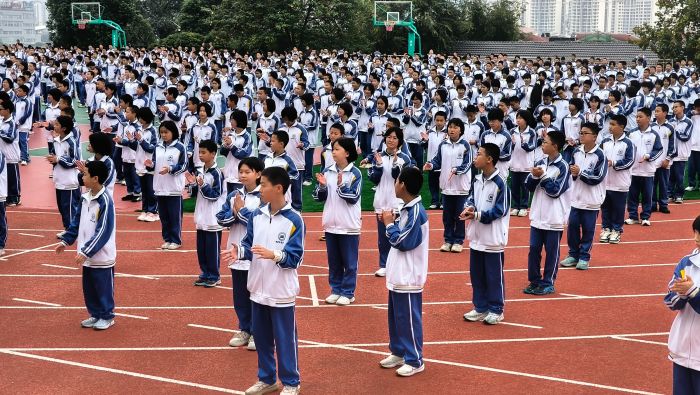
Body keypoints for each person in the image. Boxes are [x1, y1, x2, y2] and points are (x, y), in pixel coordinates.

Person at [222, 167, 304, 395]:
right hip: (257, 288)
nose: (261, 190)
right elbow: (249, 245)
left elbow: (295, 258)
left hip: (280, 292)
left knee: (285, 340)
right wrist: (239, 252)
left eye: (265, 185)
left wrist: (275, 255)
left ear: (278, 189)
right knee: (263, 338)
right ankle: (267, 378)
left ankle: (291, 382)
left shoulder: (294, 219)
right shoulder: (257, 215)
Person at [378, 166, 428, 377]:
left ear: (403, 185)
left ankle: (415, 359)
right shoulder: (407, 208)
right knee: (397, 317)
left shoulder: (416, 212)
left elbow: (403, 242)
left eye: (397, 180)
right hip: (399, 274)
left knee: (408, 318)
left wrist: (389, 224)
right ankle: (398, 351)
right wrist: (392, 222)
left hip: (409, 275)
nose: (395, 184)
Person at [56, 160, 117, 331]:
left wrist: (87, 251)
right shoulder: (85, 197)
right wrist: (66, 240)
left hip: (101, 254)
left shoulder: (105, 201)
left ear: (95, 178)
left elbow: (103, 230)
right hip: (86, 253)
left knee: (102, 286)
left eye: (85, 174)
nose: (82, 176)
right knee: (89, 287)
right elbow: (76, 222)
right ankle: (95, 313)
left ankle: (106, 315)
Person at [216, 157, 263, 351]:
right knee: (240, 295)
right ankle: (245, 328)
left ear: (258, 174)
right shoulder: (234, 194)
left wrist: (240, 211)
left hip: (255, 253)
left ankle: (258, 332)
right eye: (241, 172)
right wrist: (234, 214)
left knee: (256, 294)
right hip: (235, 253)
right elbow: (221, 218)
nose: (242, 175)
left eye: (247, 172)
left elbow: (258, 221)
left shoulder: (264, 196)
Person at [461, 142, 510, 324]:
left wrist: (477, 215)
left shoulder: (500, 183)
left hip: (493, 238)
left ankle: (497, 309)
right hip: (477, 236)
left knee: (493, 276)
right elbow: (471, 198)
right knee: (477, 274)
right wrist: (469, 208)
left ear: (489, 159)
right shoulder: (477, 178)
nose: (475, 157)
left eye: (479, 154)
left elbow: (500, 210)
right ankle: (480, 307)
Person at [313, 137, 362, 306]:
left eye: (337, 149)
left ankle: (348, 292)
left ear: (347, 153)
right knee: (334, 262)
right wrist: (322, 187)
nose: (333, 152)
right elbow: (318, 197)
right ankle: (336, 289)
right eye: (332, 149)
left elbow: (353, 198)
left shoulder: (355, 173)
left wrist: (341, 186)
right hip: (331, 224)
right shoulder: (327, 171)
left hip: (348, 225)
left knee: (349, 262)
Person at [524, 131, 571, 295]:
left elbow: (556, 191)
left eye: (545, 142)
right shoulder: (540, 162)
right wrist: (535, 177)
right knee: (534, 249)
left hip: (554, 217)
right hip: (537, 215)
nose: (542, 144)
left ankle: (548, 282)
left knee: (552, 252)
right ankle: (534, 280)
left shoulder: (563, 166)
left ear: (555, 146)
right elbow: (528, 186)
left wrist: (542, 176)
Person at [559, 122, 607, 271]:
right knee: (572, 227)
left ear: (594, 136)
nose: (581, 135)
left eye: (585, 133)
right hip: (576, 198)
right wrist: (573, 173)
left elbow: (597, 177)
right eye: (581, 133)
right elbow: (572, 172)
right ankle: (573, 254)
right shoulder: (576, 152)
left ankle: (584, 256)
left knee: (588, 229)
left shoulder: (600, 155)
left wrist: (579, 173)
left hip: (591, 199)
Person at [423, 118, 472, 253]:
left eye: (455, 127)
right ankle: (448, 239)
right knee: (447, 216)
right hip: (446, 186)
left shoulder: (465, 145)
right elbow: (437, 160)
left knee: (459, 215)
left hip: (461, 187)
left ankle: (458, 241)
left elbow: (468, 164)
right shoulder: (443, 144)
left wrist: (457, 170)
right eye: (450, 127)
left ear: (461, 130)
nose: (451, 129)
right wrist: (431, 165)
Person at [664, 214, 700, 395]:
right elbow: (670, 302)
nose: (696, 238)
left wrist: (693, 292)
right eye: (695, 233)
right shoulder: (687, 262)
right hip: (682, 350)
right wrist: (680, 293)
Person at [368, 127, 411, 277]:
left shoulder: (404, 158)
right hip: (381, 200)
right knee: (383, 237)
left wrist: (395, 165)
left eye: (394, 138)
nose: (391, 140)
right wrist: (378, 166)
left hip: (397, 202)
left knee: (398, 234)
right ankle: (384, 264)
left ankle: (399, 265)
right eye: (388, 137)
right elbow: (373, 178)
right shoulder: (377, 157)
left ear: (400, 141)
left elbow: (402, 180)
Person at [187, 140, 226, 287]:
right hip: (202, 215)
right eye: (199, 152)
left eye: (204, 152)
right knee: (201, 248)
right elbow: (197, 192)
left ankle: (214, 275)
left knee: (212, 249)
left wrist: (202, 185)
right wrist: (192, 184)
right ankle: (205, 273)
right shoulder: (200, 170)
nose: (201, 155)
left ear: (213, 154)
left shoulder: (217, 173)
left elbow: (215, 195)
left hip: (212, 217)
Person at [146, 121, 187, 250]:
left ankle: (176, 240)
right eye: (161, 132)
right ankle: (167, 239)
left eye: (166, 132)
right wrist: (150, 165)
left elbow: (184, 165)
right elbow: (154, 163)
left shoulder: (180, 147)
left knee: (174, 216)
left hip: (173, 188)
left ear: (173, 132)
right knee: (164, 217)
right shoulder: (157, 147)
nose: (163, 135)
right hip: (159, 186)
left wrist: (170, 169)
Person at [599, 114, 635, 244]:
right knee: (606, 207)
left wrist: (613, 163)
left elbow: (629, 161)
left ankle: (617, 230)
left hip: (620, 183)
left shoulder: (628, 143)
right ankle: (606, 228)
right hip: (605, 182)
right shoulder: (605, 141)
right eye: (610, 124)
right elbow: (600, 158)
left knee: (618, 208)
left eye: (613, 125)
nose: (610, 127)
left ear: (622, 127)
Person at [626, 108, 663, 226]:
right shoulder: (631, 133)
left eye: (640, 117)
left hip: (648, 171)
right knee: (632, 195)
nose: (637, 119)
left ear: (648, 118)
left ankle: (646, 216)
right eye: (636, 117)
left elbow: (659, 149)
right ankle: (633, 216)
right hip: (633, 171)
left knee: (647, 195)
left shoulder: (653, 134)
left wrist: (648, 156)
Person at [47, 115, 80, 236]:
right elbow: (54, 155)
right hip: (59, 179)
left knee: (70, 208)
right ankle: (67, 229)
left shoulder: (71, 142)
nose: (54, 126)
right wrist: (52, 158)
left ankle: (73, 232)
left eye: (56, 124)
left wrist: (58, 159)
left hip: (69, 181)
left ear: (64, 128)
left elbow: (74, 161)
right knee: (62, 208)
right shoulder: (55, 140)